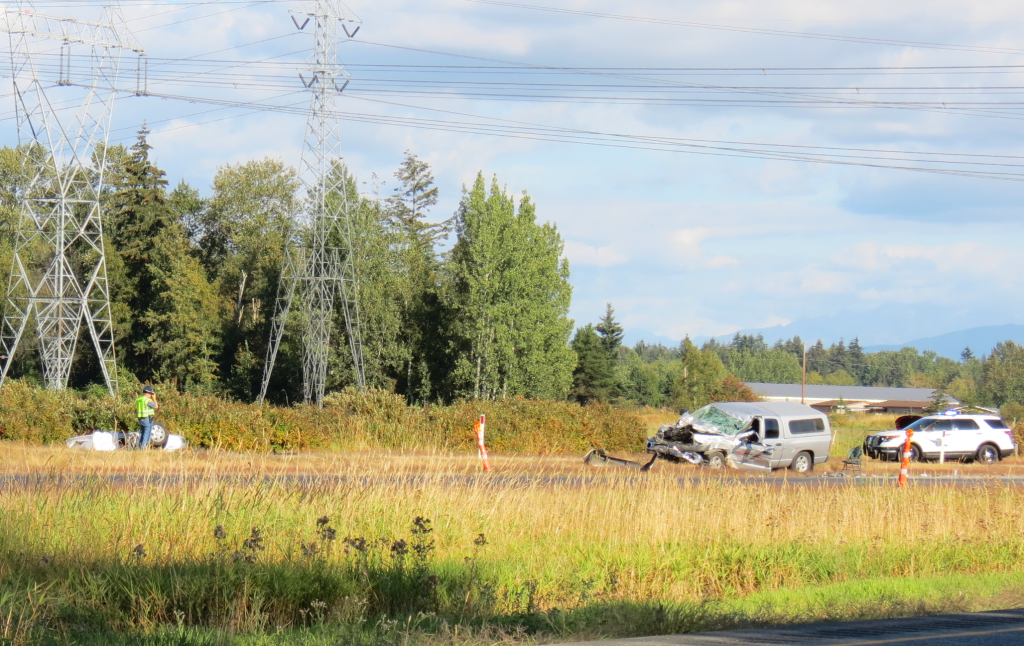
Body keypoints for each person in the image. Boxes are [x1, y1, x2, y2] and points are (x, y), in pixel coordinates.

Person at [135, 385, 159, 450]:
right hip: (147, 419)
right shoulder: (148, 400)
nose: (152, 394)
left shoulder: (139, 399)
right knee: (147, 433)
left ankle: (139, 447)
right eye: (151, 393)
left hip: (140, 418)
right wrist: (154, 398)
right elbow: (156, 406)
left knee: (142, 432)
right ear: (149, 393)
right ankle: (144, 448)